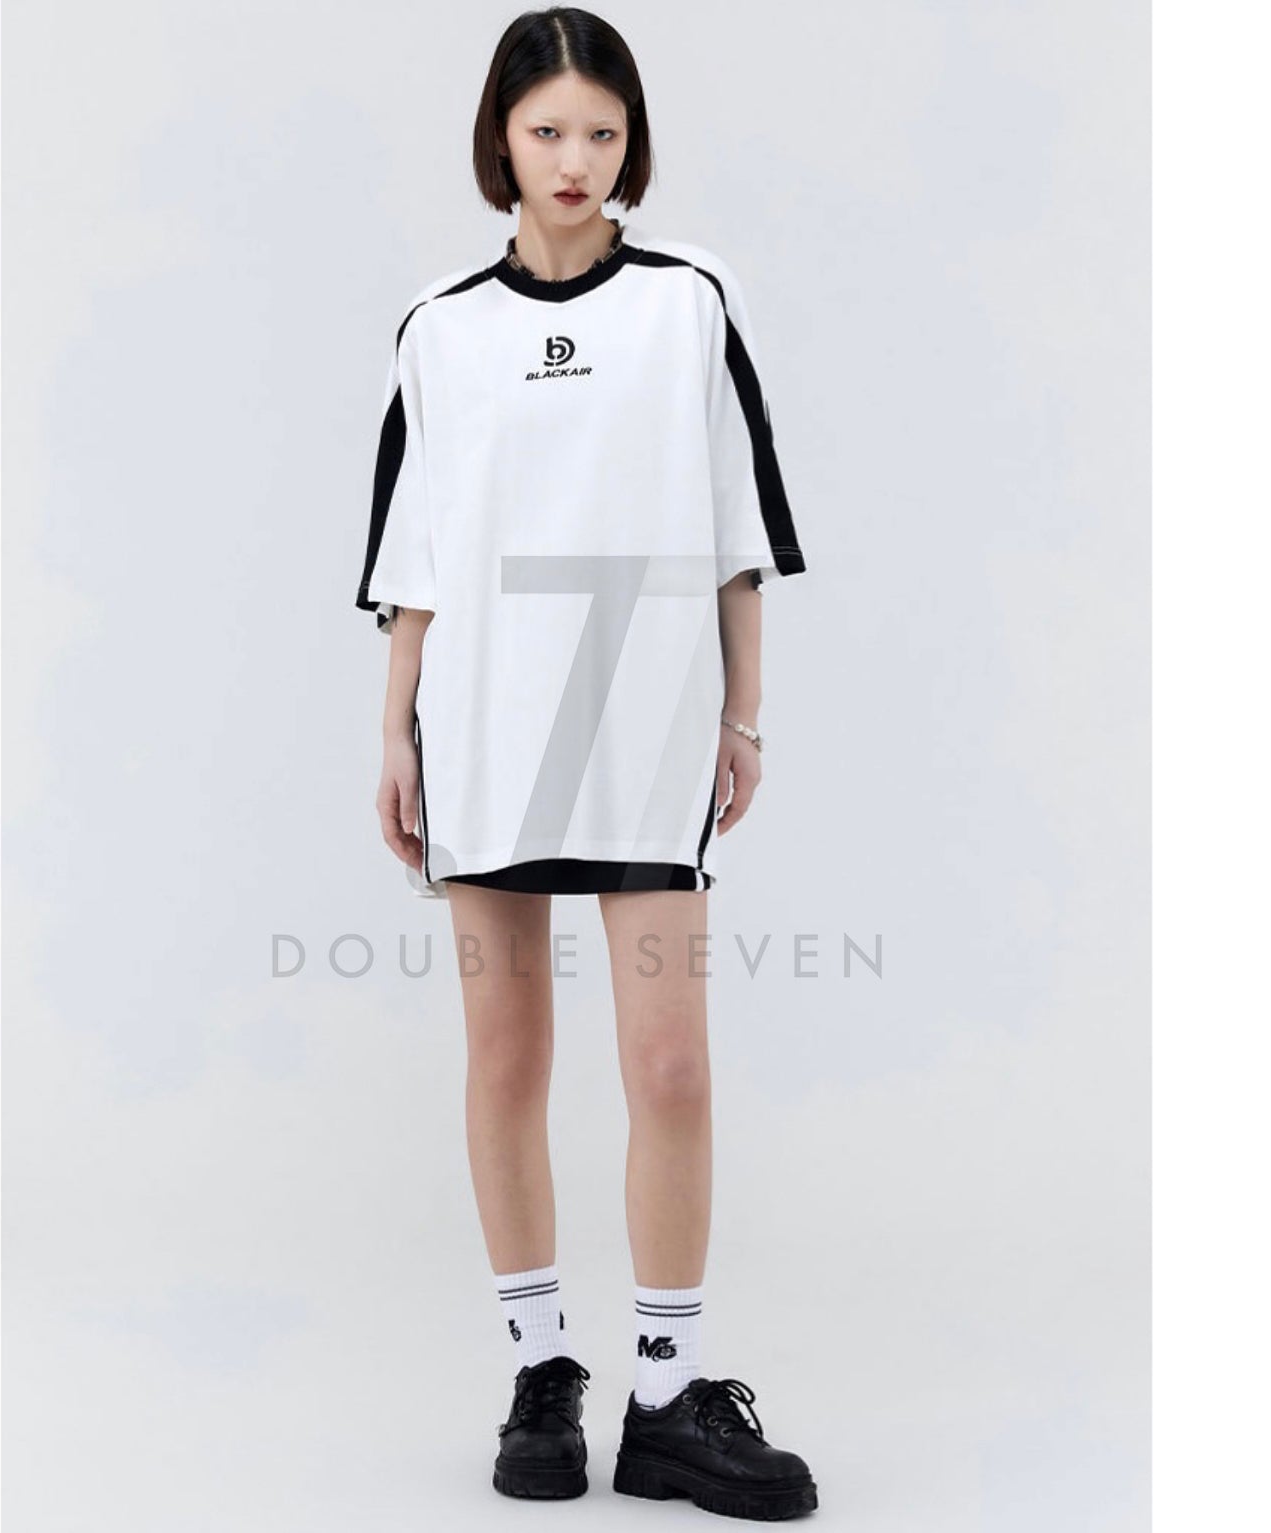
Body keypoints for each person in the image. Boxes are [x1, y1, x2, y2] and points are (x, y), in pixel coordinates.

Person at [356, 8, 816, 1520]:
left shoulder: (688, 303)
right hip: (485, 724)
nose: (574, 161)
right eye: (547, 130)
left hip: (647, 725)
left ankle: (668, 1398)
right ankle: (540, 1371)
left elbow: (737, 527)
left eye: (602, 133)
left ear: (633, 144)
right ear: (500, 136)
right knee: (506, 1057)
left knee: (668, 1065)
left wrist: (743, 715)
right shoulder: (438, 326)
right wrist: (393, 730)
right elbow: (414, 557)